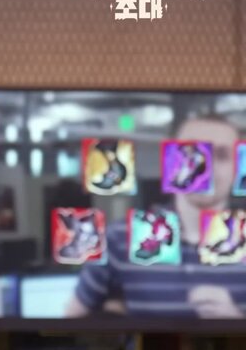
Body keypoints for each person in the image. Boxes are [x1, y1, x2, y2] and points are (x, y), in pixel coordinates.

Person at [66, 114, 246, 319]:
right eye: (192, 152)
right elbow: (69, 325)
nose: (206, 167)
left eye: (222, 155)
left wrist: (236, 322)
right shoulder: (119, 238)